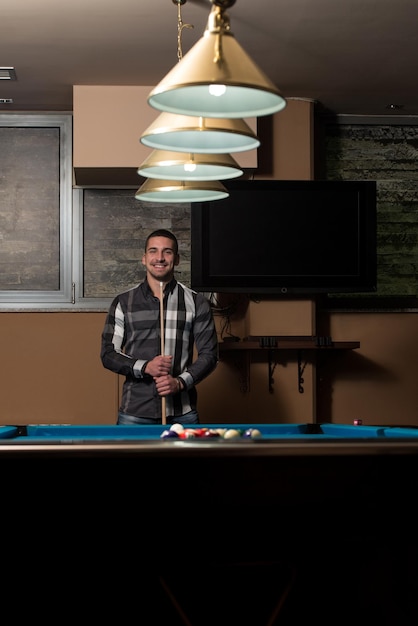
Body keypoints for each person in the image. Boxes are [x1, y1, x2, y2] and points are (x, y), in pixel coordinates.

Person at [100, 228, 218, 425]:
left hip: (183, 413)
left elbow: (210, 355)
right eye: (153, 251)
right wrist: (145, 366)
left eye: (167, 252)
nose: (160, 258)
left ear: (177, 259)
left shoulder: (196, 302)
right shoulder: (124, 302)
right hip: (134, 412)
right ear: (144, 258)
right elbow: (108, 353)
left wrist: (180, 382)